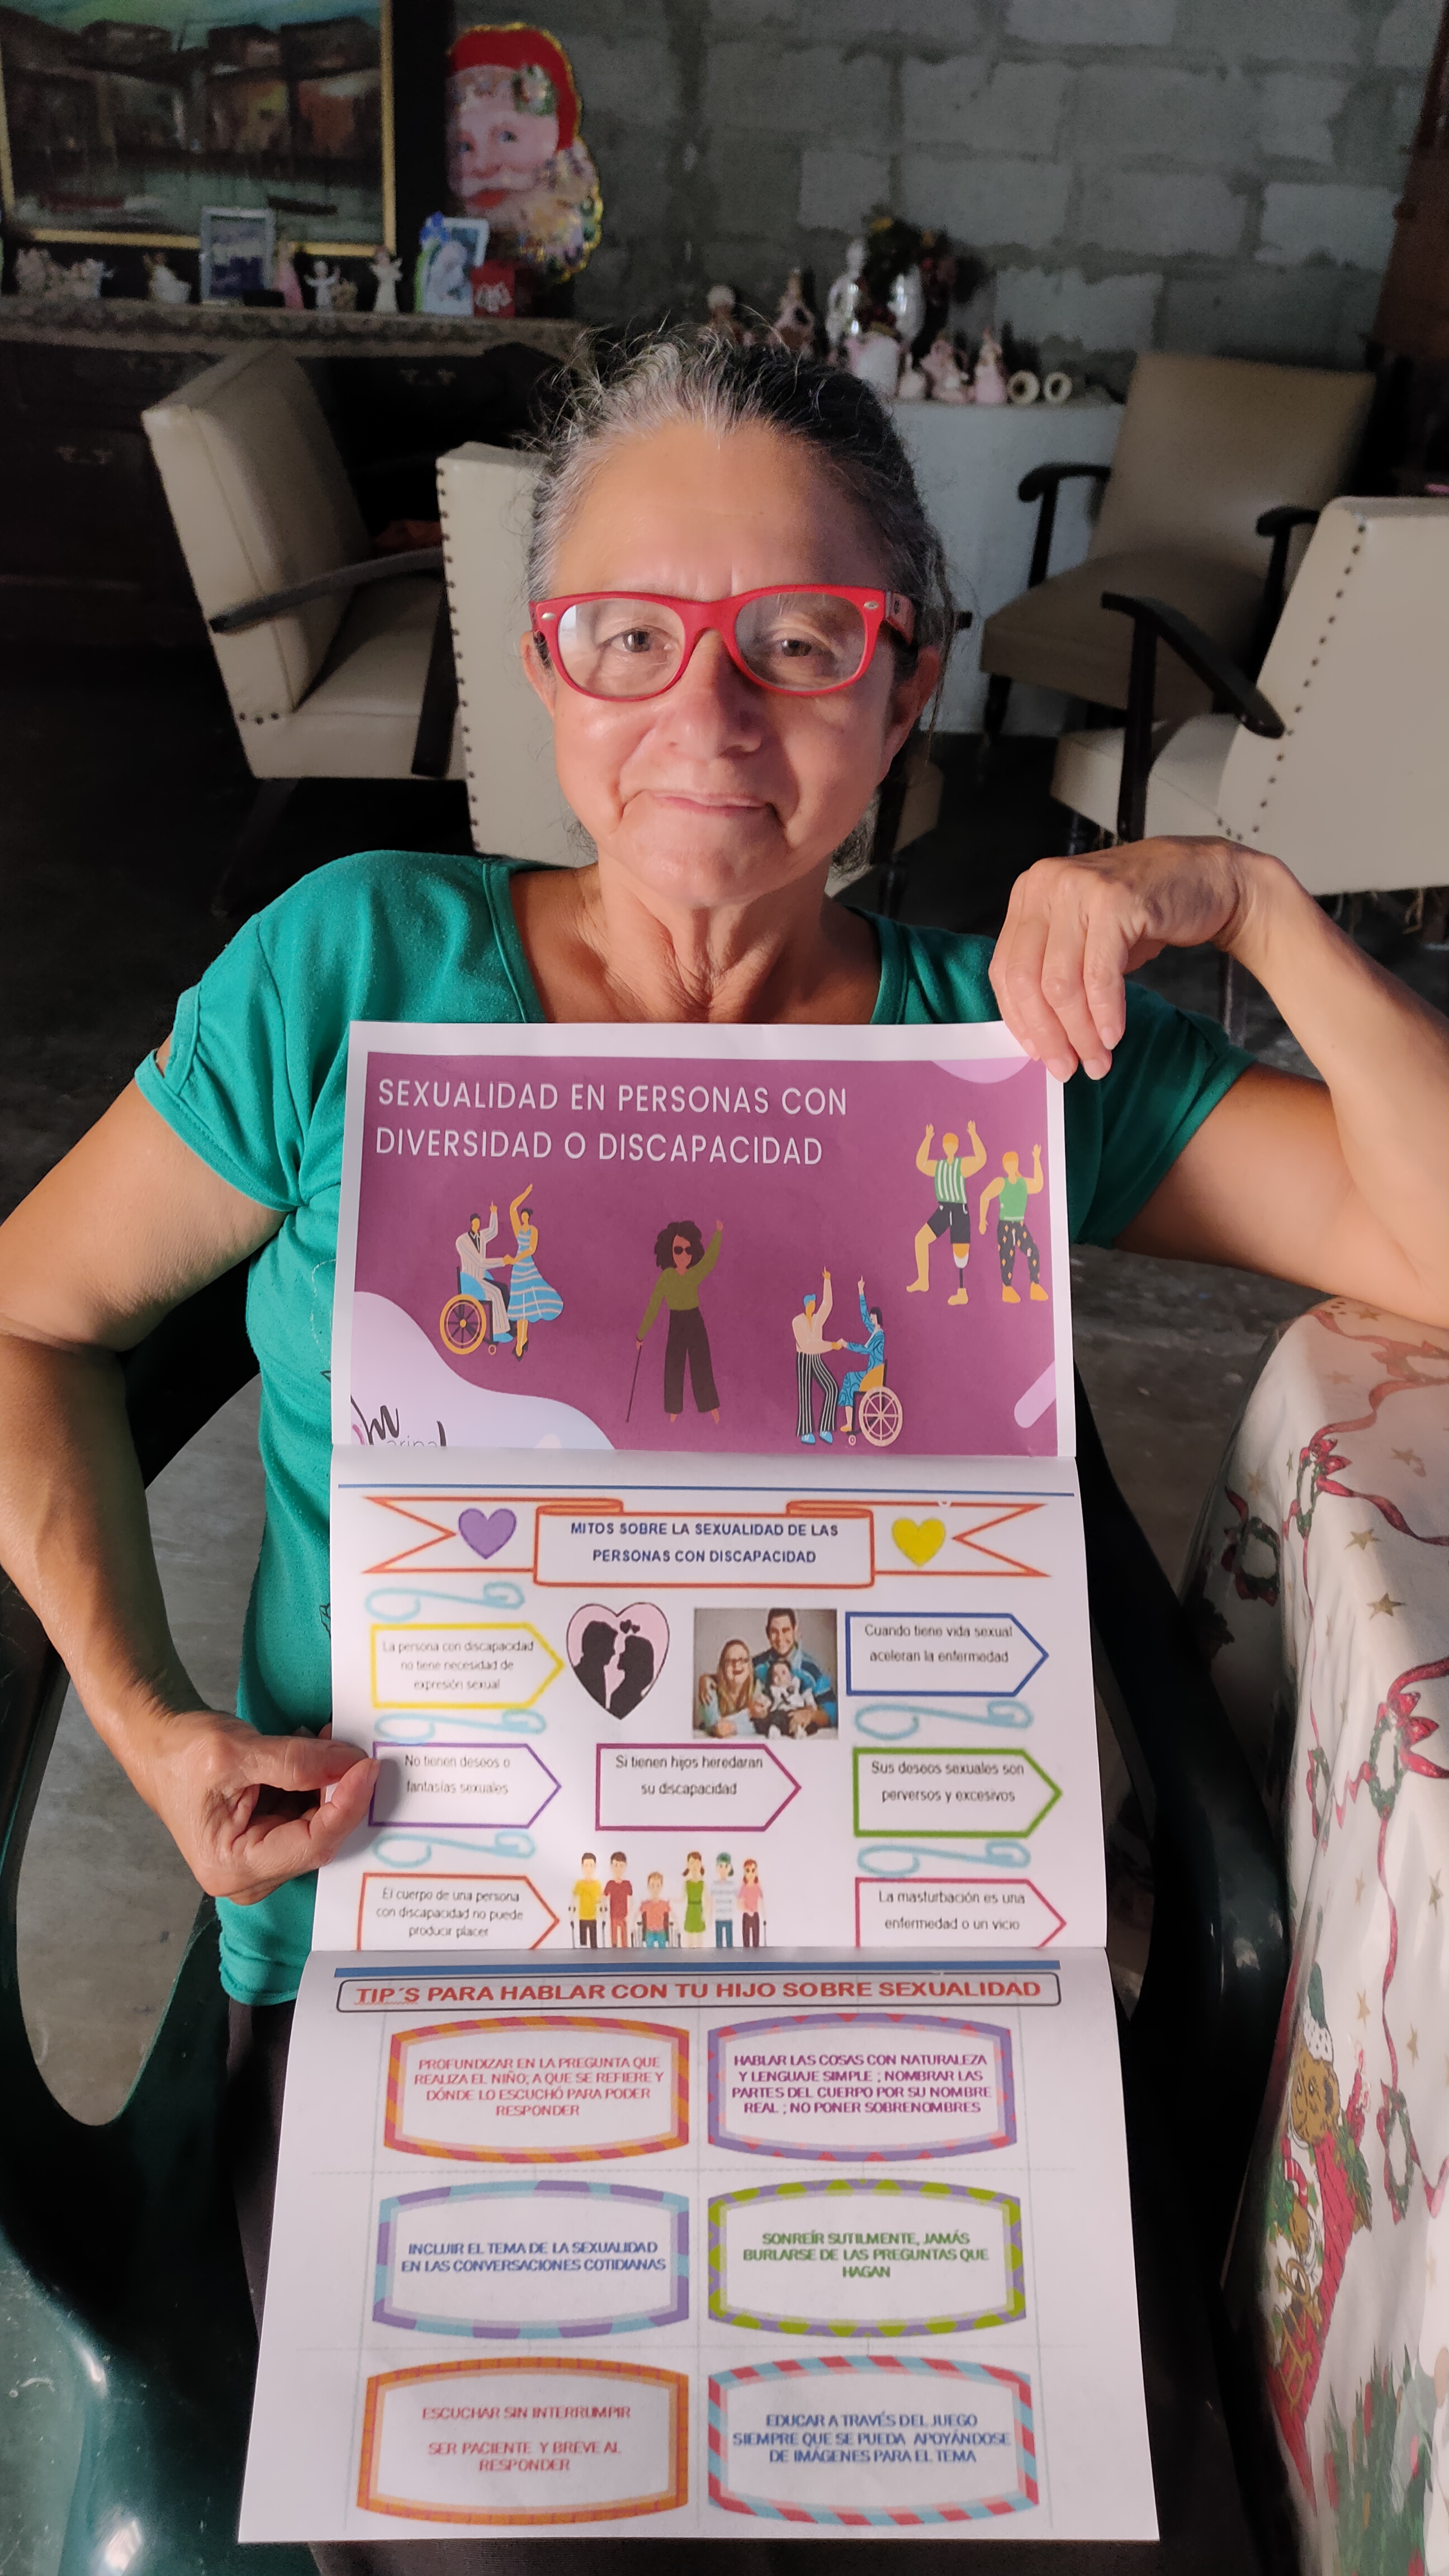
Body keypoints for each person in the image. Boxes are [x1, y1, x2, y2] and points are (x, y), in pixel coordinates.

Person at [1, 332, 1446, 2576]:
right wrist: (150, 1720)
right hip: (428, 1973)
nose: (711, 713)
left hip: (906, 1983)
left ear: (909, 680)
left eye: (799, 639)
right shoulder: (353, 968)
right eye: (628, 638)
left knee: (1020, 2499)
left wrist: (1250, 904)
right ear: (542, 674)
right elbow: (28, 1315)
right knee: (531, 2521)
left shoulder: (1006, 1041)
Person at [637, 1217, 723, 1421]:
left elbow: (709, 1261)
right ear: (669, 1250)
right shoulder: (666, 1277)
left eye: (688, 1250)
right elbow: (653, 1306)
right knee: (674, 1365)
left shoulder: (694, 1274)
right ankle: (673, 1411)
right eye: (678, 1250)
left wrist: (718, 1234)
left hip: (695, 1320)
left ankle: (711, 1407)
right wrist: (641, 1335)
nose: (683, 1255)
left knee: (701, 1363)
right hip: (676, 1322)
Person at [909, 1119, 986, 1302]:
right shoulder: (939, 1166)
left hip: (959, 1211)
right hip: (943, 1210)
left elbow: (981, 1159)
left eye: (952, 1144)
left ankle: (962, 1292)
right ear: (943, 1147)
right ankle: (923, 1280)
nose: (949, 1147)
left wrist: (974, 1135)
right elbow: (921, 1163)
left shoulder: (962, 1165)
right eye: (947, 1144)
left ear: (957, 1147)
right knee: (921, 1239)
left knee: (961, 1253)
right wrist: (928, 1139)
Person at [979, 1144, 1049, 1303]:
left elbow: (1038, 1185)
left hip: (1019, 1224)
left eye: (1014, 1163)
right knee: (1007, 1255)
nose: (1011, 1166)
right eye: (1008, 1163)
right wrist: (982, 1220)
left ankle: (1035, 1286)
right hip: (1005, 1225)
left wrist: (1036, 1159)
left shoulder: (1023, 1183)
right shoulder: (1001, 1183)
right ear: (1005, 1166)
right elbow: (985, 1196)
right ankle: (1007, 1288)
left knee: (1033, 1251)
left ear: (1017, 1164)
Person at [503, 1178, 562, 1356]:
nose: (523, 1218)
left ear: (529, 1217)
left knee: (528, 1303)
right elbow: (512, 1208)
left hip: (526, 1266)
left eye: (526, 1216)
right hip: (518, 1270)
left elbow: (531, 1249)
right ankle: (522, 1340)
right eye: (522, 1216)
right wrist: (525, 1194)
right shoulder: (519, 1230)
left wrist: (516, 1259)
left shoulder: (533, 1231)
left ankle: (522, 1341)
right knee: (521, 1306)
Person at [752, 1607, 837, 1732]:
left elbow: (833, 1712)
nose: (780, 1638)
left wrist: (811, 1715)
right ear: (767, 1633)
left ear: (796, 1631)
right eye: (774, 1632)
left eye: (786, 1630)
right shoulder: (756, 1665)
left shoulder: (812, 1668)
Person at [792, 1268, 843, 1444]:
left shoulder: (817, 1320)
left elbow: (827, 1305)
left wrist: (827, 1280)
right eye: (812, 1303)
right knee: (805, 1394)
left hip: (816, 1359)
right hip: (804, 1359)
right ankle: (806, 1433)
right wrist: (831, 1345)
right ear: (806, 1304)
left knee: (832, 1387)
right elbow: (808, 1345)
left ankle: (825, 1428)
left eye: (815, 1303)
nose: (814, 1306)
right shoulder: (797, 1322)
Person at [453, 1205, 510, 1347]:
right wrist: (503, 1261)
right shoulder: (463, 1241)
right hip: (471, 1281)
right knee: (495, 1294)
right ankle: (497, 1332)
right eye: (475, 1223)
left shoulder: (481, 1236)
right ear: (471, 1223)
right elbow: (480, 1262)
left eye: (479, 1223)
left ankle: (502, 1330)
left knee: (498, 1291)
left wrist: (494, 1213)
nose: (477, 1225)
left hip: (480, 1278)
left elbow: (493, 1231)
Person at [837, 1275, 886, 1434]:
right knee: (849, 1379)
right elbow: (864, 1316)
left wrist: (847, 1345)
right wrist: (860, 1292)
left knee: (850, 1379)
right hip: (871, 1372)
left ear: (877, 1318)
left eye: (873, 1317)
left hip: (873, 1374)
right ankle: (849, 1423)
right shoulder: (875, 1332)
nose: (870, 1319)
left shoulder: (879, 1335)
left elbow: (866, 1350)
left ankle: (850, 1422)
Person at [696, 1636, 765, 1737]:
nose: (737, 1665)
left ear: (750, 1666)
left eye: (742, 1660)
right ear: (723, 1667)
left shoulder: (757, 1687)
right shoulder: (709, 1688)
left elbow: (761, 1726)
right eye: (730, 1661)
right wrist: (749, 1714)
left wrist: (734, 1727)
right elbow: (718, 1729)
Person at [760, 1651, 818, 1736]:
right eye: (775, 1675)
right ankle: (775, 1729)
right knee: (776, 1717)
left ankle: (798, 1730)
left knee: (812, 1724)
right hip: (781, 1713)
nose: (779, 1677)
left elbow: (808, 1697)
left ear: (791, 1675)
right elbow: (767, 1701)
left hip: (798, 1711)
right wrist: (764, 1706)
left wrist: (810, 1707)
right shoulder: (773, 1690)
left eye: (783, 1673)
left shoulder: (799, 1685)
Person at [572, 1850, 601, 1948]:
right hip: (582, 1917)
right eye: (586, 1865)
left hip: (593, 1917)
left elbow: (600, 1900)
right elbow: (574, 1899)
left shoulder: (597, 1884)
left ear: (595, 1867)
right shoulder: (579, 1884)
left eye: (591, 1865)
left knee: (594, 1943)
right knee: (583, 1943)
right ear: (582, 1867)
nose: (589, 1868)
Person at [604, 1849, 632, 1950]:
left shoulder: (627, 1884)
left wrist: (629, 1914)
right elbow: (605, 1898)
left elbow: (630, 1900)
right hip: (613, 1916)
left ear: (625, 1866)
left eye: (621, 1866)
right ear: (611, 1866)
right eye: (616, 1865)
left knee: (624, 1940)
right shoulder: (610, 1884)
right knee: (614, 1940)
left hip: (624, 1916)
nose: (619, 1869)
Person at [681, 1850, 708, 1948]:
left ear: (701, 1865)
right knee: (689, 1941)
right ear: (688, 1865)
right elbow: (682, 1898)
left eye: (697, 1863)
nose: (695, 1866)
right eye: (692, 1863)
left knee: (699, 1941)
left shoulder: (703, 1884)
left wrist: (706, 1915)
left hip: (699, 1912)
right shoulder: (686, 1883)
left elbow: (707, 1901)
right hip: (690, 1912)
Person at [638, 1871, 671, 1948]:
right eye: (652, 1886)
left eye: (658, 1886)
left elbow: (673, 1915)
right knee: (649, 1950)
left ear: (661, 1887)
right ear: (648, 1887)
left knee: (663, 1950)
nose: (655, 1889)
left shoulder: (664, 1904)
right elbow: (636, 1915)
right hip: (650, 1931)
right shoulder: (645, 1904)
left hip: (661, 1931)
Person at [713, 1852, 737, 1947]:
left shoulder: (732, 1885)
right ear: (717, 1868)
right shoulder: (715, 1885)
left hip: (728, 1917)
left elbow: (736, 1900)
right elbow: (711, 1901)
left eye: (726, 1866)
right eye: (721, 1866)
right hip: (718, 1918)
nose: (723, 1869)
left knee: (729, 1942)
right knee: (719, 1943)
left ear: (730, 1868)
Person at [740, 1857, 764, 1947]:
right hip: (746, 1915)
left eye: (753, 1871)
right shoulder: (743, 1888)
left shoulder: (757, 1888)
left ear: (756, 1872)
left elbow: (761, 1902)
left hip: (755, 1915)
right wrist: (746, 1910)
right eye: (748, 1871)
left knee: (756, 1940)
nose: (751, 1874)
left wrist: (763, 1916)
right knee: (746, 1941)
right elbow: (741, 1902)